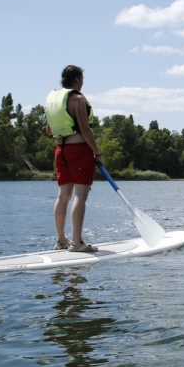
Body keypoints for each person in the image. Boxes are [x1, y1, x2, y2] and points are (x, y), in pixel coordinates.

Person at [45, 65, 104, 252]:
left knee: (63, 196)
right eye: (82, 79)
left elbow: (48, 130)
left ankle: (61, 240)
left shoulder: (54, 101)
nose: (83, 83)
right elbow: (85, 130)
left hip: (60, 151)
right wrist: (97, 153)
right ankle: (77, 243)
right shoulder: (77, 99)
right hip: (79, 151)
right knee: (80, 195)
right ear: (77, 80)